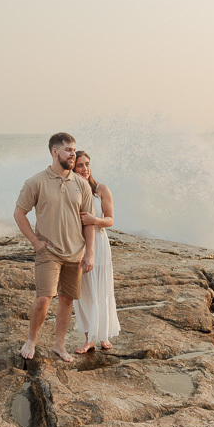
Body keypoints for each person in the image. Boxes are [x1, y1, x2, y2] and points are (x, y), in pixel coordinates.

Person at [14, 133, 95, 362]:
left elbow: (88, 223)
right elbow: (19, 213)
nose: (72, 154)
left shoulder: (82, 185)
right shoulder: (36, 182)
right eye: (68, 150)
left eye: (74, 150)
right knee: (44, 297)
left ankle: (59, 345)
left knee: (67, 299)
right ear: (54, 152)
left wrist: (89, 253)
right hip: (48, 251)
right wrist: (35, 242)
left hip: (75, 253)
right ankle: (31, 340)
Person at [73, 150, 120, 353]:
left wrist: (95, 220)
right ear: (73, 168)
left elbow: (110, 219)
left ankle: (102, 335)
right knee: (83, 292)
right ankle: (88, 338)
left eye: (87, 164)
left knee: (101, 289)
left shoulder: (100, 189)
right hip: (77, 244)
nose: (84, 169)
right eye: (80, 165)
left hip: (99, 244)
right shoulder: (71, 189)